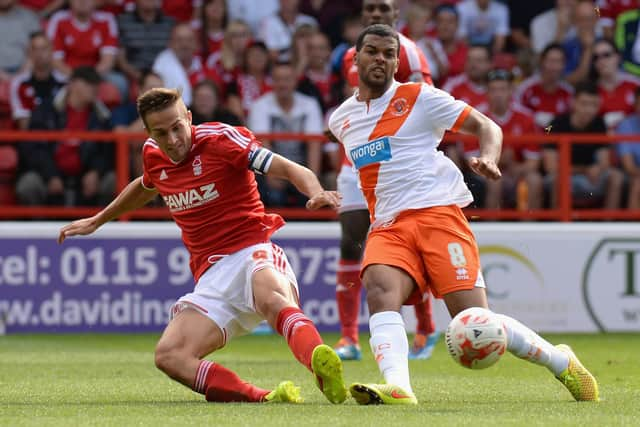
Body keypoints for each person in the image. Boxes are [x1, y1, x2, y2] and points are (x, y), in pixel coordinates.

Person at [328, 23, 599, 405]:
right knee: (378, 290)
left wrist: (488, 156)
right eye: (373, 51)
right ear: (356, 59)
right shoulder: (340, 120)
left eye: (390, 54)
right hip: (388, 224)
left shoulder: (420, 97)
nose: (381, 59)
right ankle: (399, 387)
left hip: (438, 215)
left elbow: (487, 126)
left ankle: (559, 360)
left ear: (397, 62)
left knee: (475, 322)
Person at [57, 87, 348, 405]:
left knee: (273, 299)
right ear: (149, 133)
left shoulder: (223, 140)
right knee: (169, 355)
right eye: (161, 133)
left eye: (177, 127)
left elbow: (291, 168)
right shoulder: (153, 154)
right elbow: (145, 186)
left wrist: (316, 191)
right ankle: (262, 397)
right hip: (211, 275)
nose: (172, 140)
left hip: (251, 250)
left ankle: (319, 364)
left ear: (189, 119)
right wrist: (98, 220)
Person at [332, 0, 439, 363]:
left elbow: (426, 104)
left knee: (407, 250)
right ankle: (349, 338)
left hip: (396, 170)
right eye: (370, 8)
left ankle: (425, 329)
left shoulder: (408, 51)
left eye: (384, 8)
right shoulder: (348, 54)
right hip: (356, 165)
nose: (376, 13)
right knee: (350, 244)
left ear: (397, 14)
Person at [543, 81, 624, 209]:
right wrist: (584, 170)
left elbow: (604, 161)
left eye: (594, 105)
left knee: (616, 176)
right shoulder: (554, 124)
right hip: (564, 176)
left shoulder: (600, 123)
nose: (589, 110)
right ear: (573, 103)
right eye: (584, 104)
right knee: (557, 179)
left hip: (591, 178)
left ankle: (609, 225)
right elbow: (550, 167)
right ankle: (558, 226)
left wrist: (598, 168)